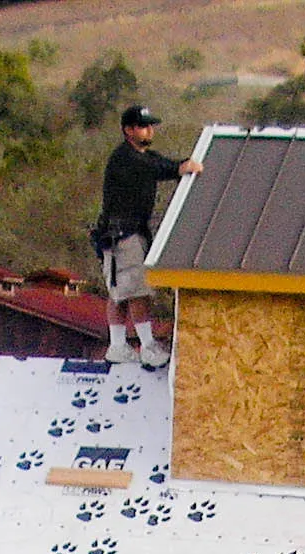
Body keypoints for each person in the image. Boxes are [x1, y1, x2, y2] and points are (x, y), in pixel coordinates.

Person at [95, 105, 202, 369]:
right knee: (135, 292)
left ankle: (119, 345)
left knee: (122, 290)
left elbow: (156, 162)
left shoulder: (142, 156)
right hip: (122, 235)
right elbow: (155, 167)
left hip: (131, 232)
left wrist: (178, 165)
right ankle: (146, 346)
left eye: (150, 125)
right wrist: (180, 167)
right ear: (128, 130)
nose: (149, 130)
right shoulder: (126, 158)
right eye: (143, 126)